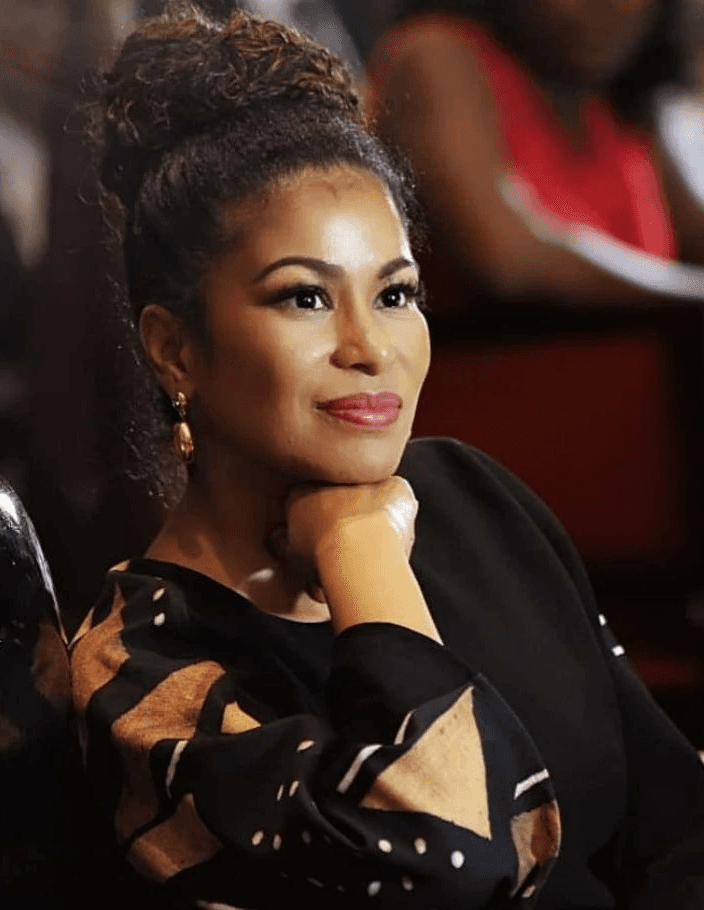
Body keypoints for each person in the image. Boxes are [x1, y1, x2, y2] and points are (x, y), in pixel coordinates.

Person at [69, 3, 704, 908]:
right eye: (304, 299)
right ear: (176, 349)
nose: (372, 347)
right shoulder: (140, 668)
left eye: (397, 293)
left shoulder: (476, 500)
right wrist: (363, 553)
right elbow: (445, 856)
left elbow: (675, 823)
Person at [369, 0, 704, 304]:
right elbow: (511, 258)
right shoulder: (435, 56)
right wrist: (692, 297)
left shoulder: (623, 101)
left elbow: (696, 237)